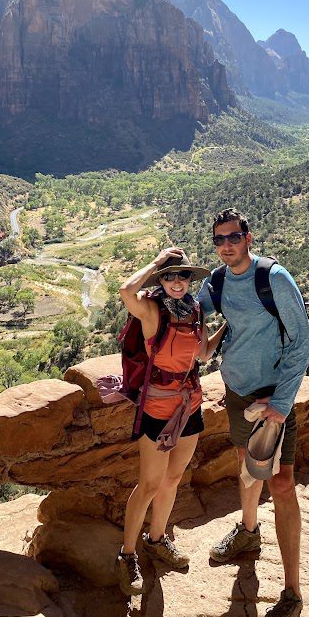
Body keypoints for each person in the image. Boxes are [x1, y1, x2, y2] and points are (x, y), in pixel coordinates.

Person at [197, 208, 309, 617]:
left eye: (233, 236)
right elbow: (193, 306)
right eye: (219, 239)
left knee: (281, 485)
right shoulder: (220, 280)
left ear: (248, 237)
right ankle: (248, 533)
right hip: (237, 392)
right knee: (247, 464)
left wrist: (282, 402)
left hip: (271, 396)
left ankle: (292, 596)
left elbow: (302, 340)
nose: (226, 244)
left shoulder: (274, 279)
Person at [115, 246, 226, 597]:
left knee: (174, 477)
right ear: (161, 279)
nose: (177, 281)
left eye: (182, 275)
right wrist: (157, 261)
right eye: (169, 276)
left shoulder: (195, 311)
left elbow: (203, 353)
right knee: (149, 483)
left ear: (190, 280)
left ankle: (157, 538)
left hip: (189, 402)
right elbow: (125, 292)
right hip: (158, 406)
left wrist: (228, 327)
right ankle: (127, 554)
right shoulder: (151, 310)